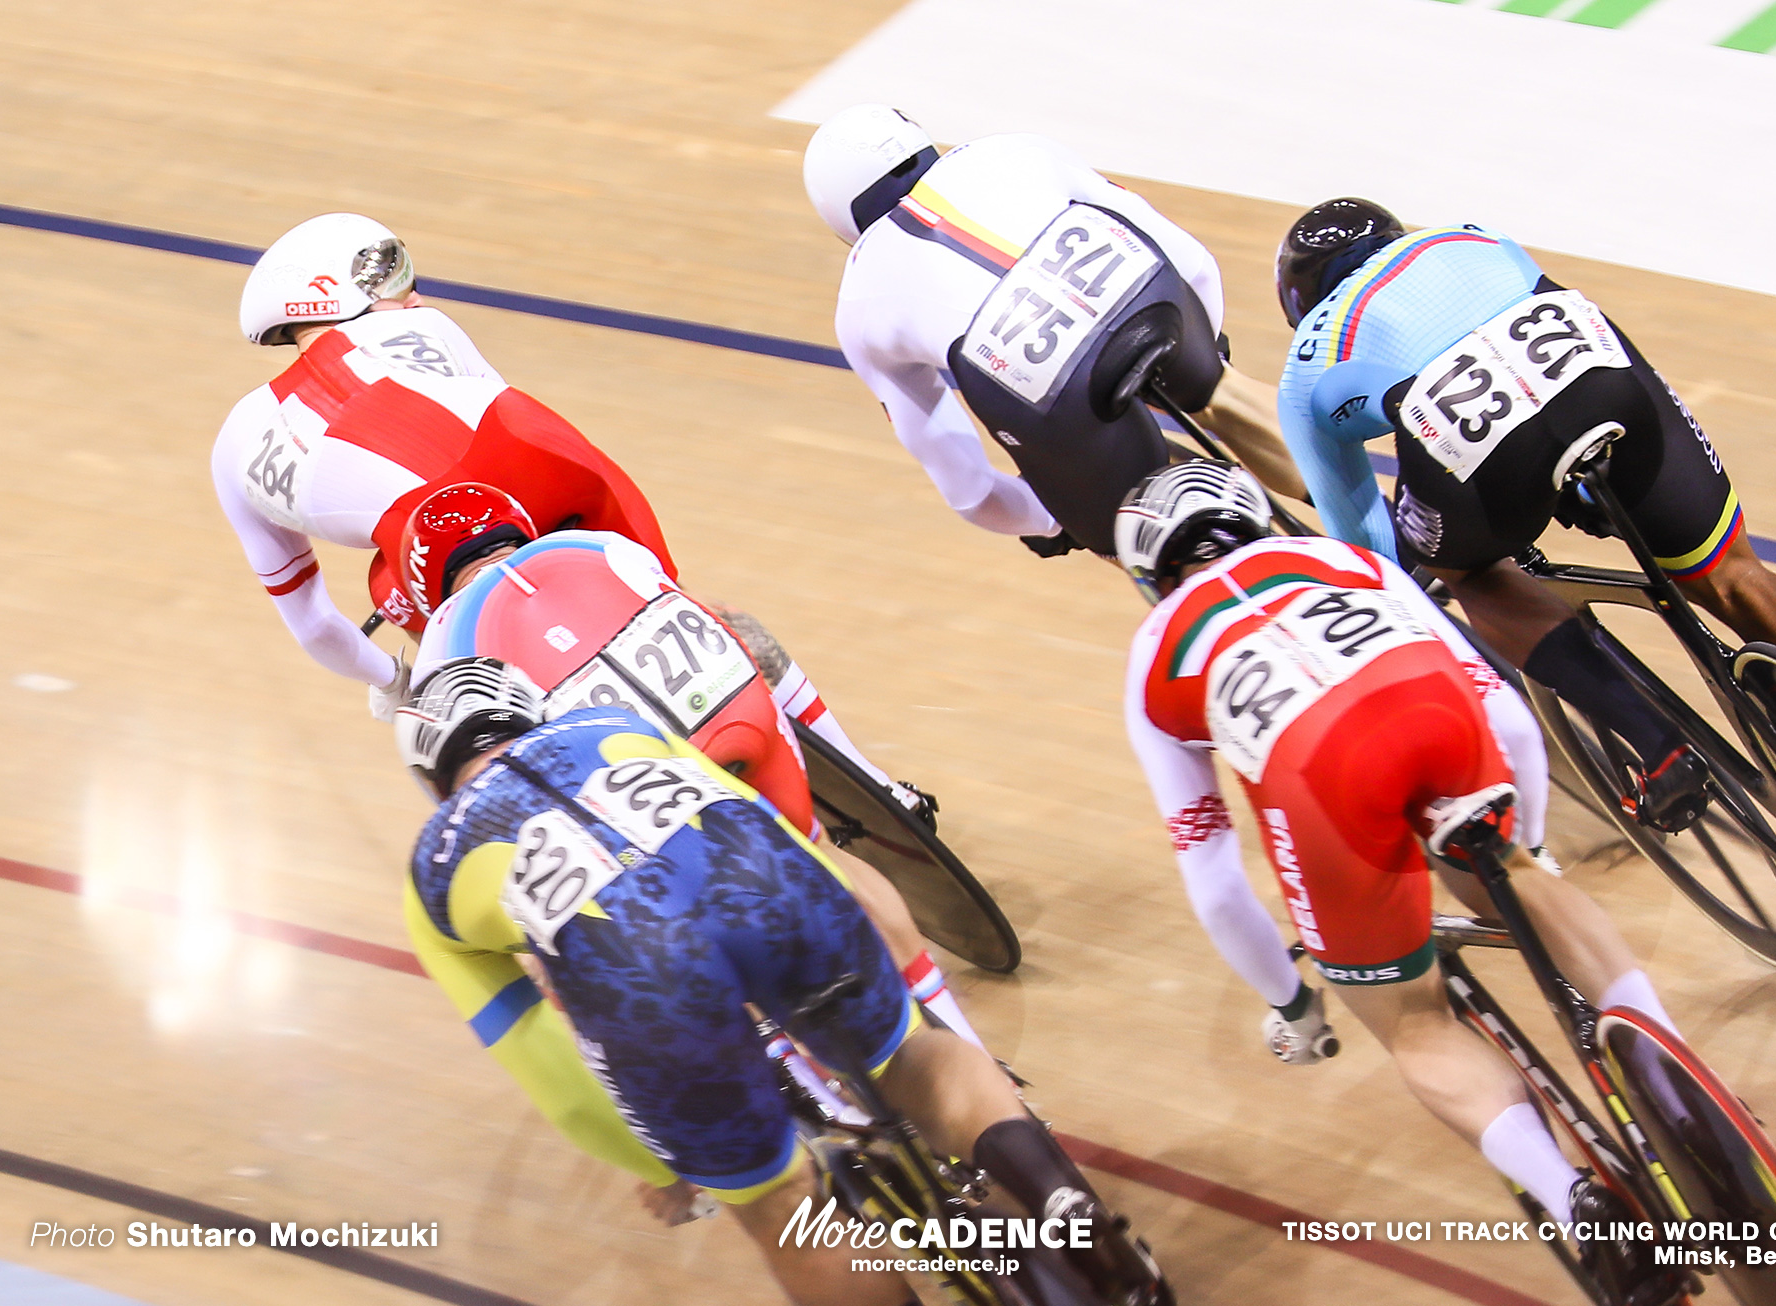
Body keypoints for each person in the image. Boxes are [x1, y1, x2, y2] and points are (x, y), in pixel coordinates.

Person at [398, 659, 1168, 1305]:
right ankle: (1071, 1212)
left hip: (647, 968)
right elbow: (770, 828)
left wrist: (666, 1166)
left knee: (776, 1202)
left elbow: (555, 1078)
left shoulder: (433, 868)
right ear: (530, 714)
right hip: (770, 890)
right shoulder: (608, 726)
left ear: (436, 783)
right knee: (909, 1056)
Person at [1117, 462, 1680, 1305]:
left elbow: (1213, 875)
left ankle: (1575, 1200)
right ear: (1258, 520)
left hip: (1323, 784)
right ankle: (1676, 1084)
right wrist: (1520, 854)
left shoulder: (1155, 650)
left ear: (1150, 578)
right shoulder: (1348, 561)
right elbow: (1509, 717)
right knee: (1523, 878)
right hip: (1433, 714)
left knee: (1412, 1023)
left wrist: (1291, 1003)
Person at [1270, 198, 1776, 828]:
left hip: (1482, 450)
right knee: (1735, 574)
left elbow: (1369, 553)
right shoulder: (1470, 235)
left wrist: (1419, 576)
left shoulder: (1303, 372)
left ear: (1299, 302)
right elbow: (1571, 342)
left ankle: (1660, 748)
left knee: (1469, 573)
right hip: (1611, 388)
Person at [400, 483, 979, 1046]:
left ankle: (799, 1072)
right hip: (737, 711)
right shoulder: (595, 548)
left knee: (696, 915)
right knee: (819, 854)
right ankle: (962, 1040)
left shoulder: (445, 651)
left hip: (650, 767)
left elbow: (485, 806)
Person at [213, 212, 671, 715]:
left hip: (435, 538)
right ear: (327, 293)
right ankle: (694, 622)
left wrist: (392, 680)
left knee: (389, 582)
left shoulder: (233, 446)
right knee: (671, 610)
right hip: (545, 462)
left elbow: (316, 627)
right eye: (396, 282)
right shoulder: (428, 325)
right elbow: (502, 427)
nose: (416, 298)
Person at [802, 105, 1307, 559]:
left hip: (1052, 400)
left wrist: (1056, 518)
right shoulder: (1013, 148)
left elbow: (973, 493)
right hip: (1153, 298)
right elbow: (1194, 263)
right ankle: (1374, 517)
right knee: (1222, 392)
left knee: (1140, 516)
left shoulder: (858, 303)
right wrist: (1204, 360)